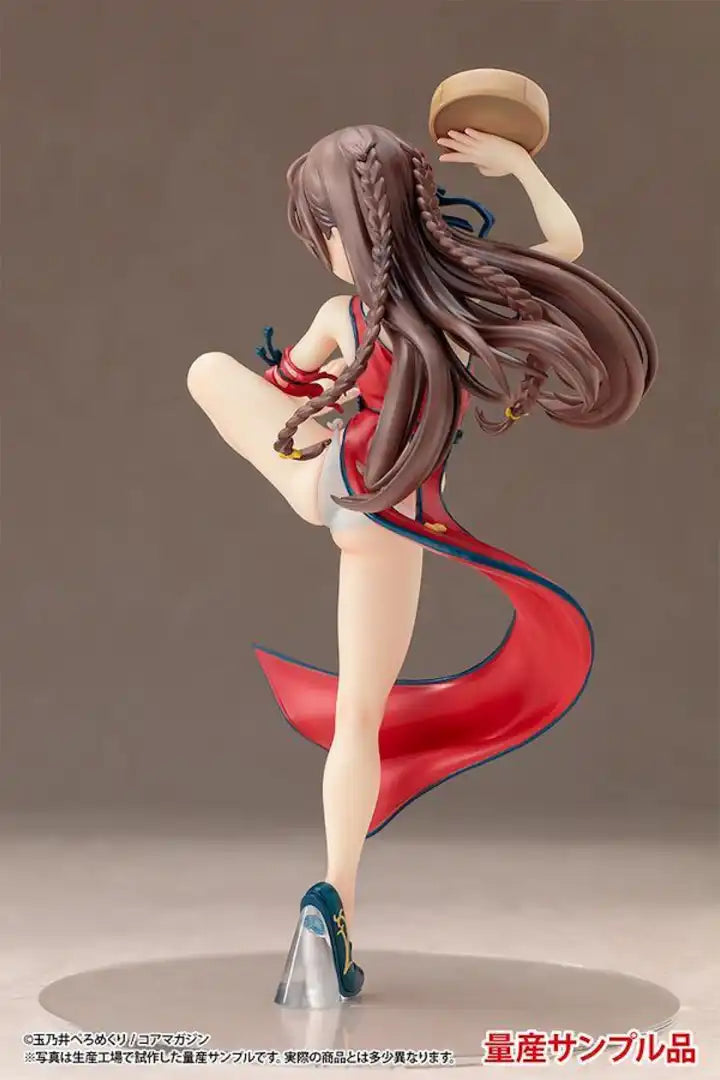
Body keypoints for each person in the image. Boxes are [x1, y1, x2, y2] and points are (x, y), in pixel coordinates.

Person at [186, 125, 657, 999]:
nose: (325, 247)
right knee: (358, 718)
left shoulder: (341, 317)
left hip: (334, 485)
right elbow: (566, 246)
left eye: (324, 229)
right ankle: (333, 899)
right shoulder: (461, 304)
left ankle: (329, 909)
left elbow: (284, 387)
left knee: (210, 371)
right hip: (394, 523)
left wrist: (310, 399)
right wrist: (522, 166)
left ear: (348, 231)